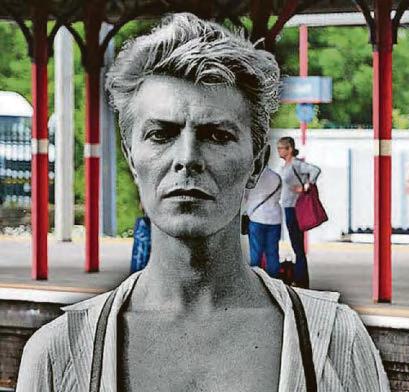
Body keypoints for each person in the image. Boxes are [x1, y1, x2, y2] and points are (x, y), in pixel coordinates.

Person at [17, 13, 389, 392]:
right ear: (131, 157)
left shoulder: (335, 344)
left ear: (257, 161)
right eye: (161, 134)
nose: (188, 158)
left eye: (217, 135)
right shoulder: (57, 354)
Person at [276, 136, 320, 288]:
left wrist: (306, 187)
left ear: (289, 149)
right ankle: (300, 277)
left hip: (295, 207)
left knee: (298, 246)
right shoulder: (285, 166)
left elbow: (315, 170)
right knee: (296, 245)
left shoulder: (295, 164)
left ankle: (301, 279)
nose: (278, 151)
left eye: (281, 148)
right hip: (287, 206)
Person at [245, 166, 283, 277]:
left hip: (256, 218)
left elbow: (246, 196)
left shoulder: (251, 178)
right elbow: (278, 196)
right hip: (274, 219)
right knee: (272, 253)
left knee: (256, 253)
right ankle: (274, 282)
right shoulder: (276, 177)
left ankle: (257, 283)